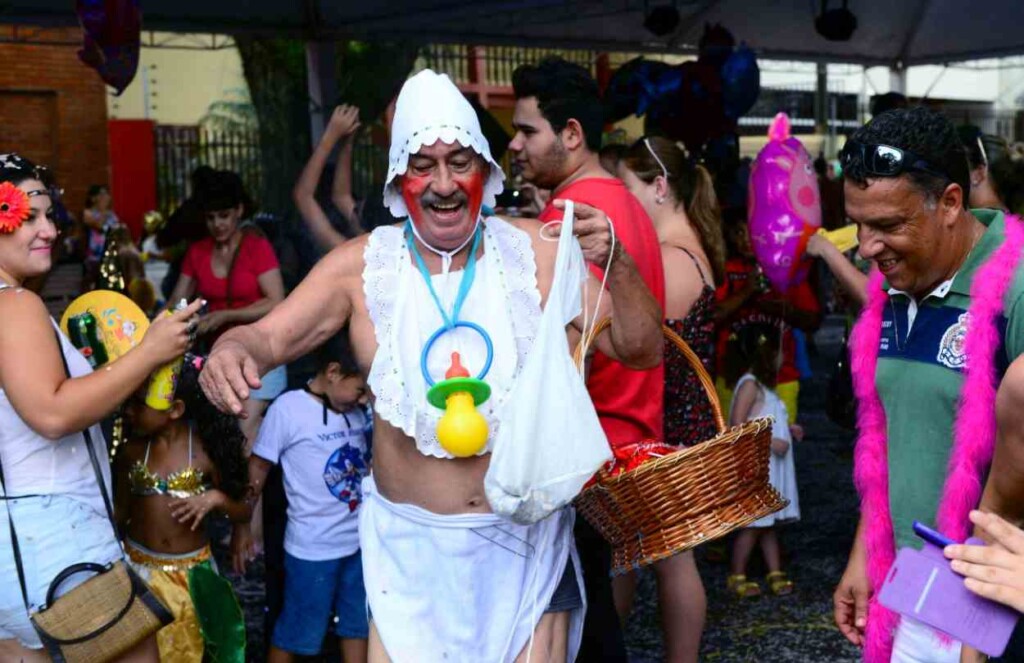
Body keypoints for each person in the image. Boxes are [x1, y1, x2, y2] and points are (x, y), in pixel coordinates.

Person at [199, 69, 662, 663]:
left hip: (526, 550)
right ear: (400, 178)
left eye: (460, 162)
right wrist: (231, 349)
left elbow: (642, 349)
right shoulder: (360, 267)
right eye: (424, 165)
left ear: (486, 173)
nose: (444, 183)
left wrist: (617, 262)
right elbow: (267, 337)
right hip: (407, 555)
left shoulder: (539, 253)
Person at [832, 107, 1024, 663]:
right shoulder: (891, 285)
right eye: (858, 224)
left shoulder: (1015, 290)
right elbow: (893, 435)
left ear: (950, 203)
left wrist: (981, 628)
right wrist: (864, 554)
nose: (867, 247)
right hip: (913, 588)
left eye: (889, 226)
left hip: (997, 611)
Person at [0, 153, 202, 662]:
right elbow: (52, 414)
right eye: (30, 217)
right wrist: (150, 352)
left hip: (17, 544)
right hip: (57, 537)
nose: (49, 229)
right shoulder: (14, 305)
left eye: (51, 215)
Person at [510, 56, 666, 662]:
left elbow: (565, 348)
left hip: (586, 443)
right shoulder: (627, 203)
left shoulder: (565, 216)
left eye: (528, 131)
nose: (515, 145)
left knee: (577, 628)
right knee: (594, 616)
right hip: (630, 434)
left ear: (571, 133)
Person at [613, 135, 726, 661]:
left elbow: (636, 341)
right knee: (645, 554)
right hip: (684, 423)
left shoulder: (668, 256)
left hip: (670, 430)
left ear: (659, 186)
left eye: (626, 188)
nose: (620, 199)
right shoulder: (688, 247)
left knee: (670, 560)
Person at [233, 335, 371, 663]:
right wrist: (242, 524)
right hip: (312, 549)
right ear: (334, 372)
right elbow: (258, 469)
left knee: (358, 626)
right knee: (296, 631)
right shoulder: (289, 409)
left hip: (360, 544)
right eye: (360, 389)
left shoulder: (355, 412)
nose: (364, 399)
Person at [116, 354, 250, 662]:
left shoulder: (205, 452)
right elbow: (120, 513)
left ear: (175, 410)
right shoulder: (132, 451)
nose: (128, 411)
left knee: (192, 648)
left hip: (192, 576)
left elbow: (243, 509)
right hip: (140, 572)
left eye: (139, 404)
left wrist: (217, 499)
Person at [166, 169, 286, 440]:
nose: (217, 224)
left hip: (261, 354)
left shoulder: (256, 247)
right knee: (219, 438)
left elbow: (277, 301)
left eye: (224, 216)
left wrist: (224, 316)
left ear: (239, 211)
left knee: (243, 433)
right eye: (211, 218)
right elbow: (176, 301)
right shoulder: (198, 251)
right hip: (217, 356)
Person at [713, 211, 821, 421]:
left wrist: (787, 310)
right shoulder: (725, 271)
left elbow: (813, 321)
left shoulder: (787, 269)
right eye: (738, 232)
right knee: (730, 449)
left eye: (751, 232)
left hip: (781, 379)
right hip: (730, 378)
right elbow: (711, 317)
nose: (745, 239)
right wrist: (747, 292)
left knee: (778, 446)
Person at [726, 325, 802, 598]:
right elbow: (736, 426)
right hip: (759, 465)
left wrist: (789, 429)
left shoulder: (766, 387)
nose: (784, 358)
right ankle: (736, 574)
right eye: (780, 352)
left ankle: (774, 570)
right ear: (767, 354)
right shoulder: (749, 384)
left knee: (767, 524)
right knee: (754, 523)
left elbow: (768, 418)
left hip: (771, 467)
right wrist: (772, 442)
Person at [295, 104, 366, 253]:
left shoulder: (359, 256)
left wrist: (331, 135)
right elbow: (342, 197)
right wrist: (347, 143)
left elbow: (303, 196)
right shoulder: (398, 256)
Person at [82, 183, 120, 287]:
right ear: (93, 198)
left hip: (111, 254)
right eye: (102, 194)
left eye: (106, 194)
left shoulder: (111, 214)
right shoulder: (88, 213)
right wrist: (102, 208)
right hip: (94, 257)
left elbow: (117, 230)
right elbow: (99, 225)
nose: (106, 197)